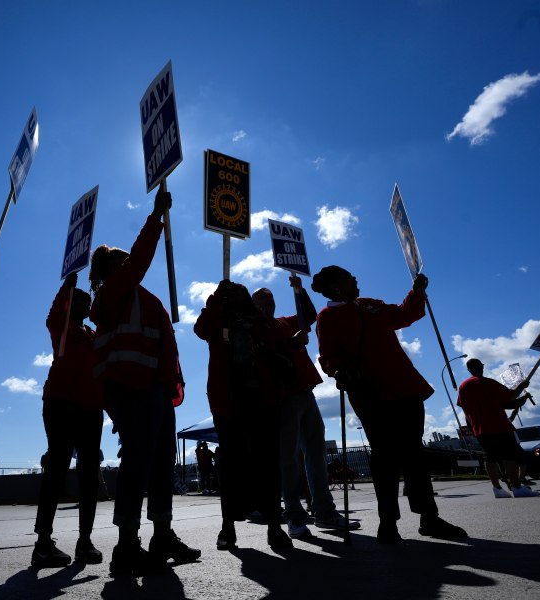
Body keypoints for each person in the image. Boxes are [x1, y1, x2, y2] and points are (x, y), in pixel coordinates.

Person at [311, 265, 467, 544]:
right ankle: (388, 523)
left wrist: (417, 292)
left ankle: (429, 518)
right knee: (384, 458)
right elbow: (327, 356)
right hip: (370, 394)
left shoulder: (370, 304)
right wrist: (337, 371)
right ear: (336, 286)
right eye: (349, 277)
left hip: (405, 388)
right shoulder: (328, 316)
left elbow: (405, 314)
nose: (356, 278)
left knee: (414, 455)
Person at [89, 189, 200, 576]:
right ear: (110, 271)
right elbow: (138, 261)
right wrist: (156, 218)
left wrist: (171, 387)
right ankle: (126, 543)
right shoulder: (112, 292)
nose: (130, 266)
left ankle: (162, 535)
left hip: (156, 391)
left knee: (160, 466)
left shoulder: (140, 296)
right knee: (138, 463)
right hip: (131, 389)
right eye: (123, 263)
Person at [252, 278, 359, 539]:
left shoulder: (285, 322)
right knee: (288, 460)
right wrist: (292, 344)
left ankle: (324, 512)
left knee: (316, 454)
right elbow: (263, 358)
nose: (269, 305)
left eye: (271, 300)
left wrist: (299, 291)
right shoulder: (255, 329)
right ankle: (294, 516)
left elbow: (308, 315)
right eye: (263, 302)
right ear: (254, 306)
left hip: (305, 392)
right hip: (282, 398)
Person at [194, 280, 291, 552]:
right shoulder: (217, 319)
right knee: (231, 465)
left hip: (262, 400)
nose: (236, 297)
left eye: (240, 293)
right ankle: (228, 526)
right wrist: (215, 298)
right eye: (231, 294)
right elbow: (200, 330)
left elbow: (278, 347)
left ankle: (274, 525)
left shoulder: (260, 322)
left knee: (268, 464)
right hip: (228, 402)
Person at [31, 272, 104, 568]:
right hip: (61, 402)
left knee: (89, 475)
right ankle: (43, 543)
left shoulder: (93, 336)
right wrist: (67, 286)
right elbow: (53, 313)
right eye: (81, 300)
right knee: (57, 469)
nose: (87, 305)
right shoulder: (61, 327)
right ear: (70, 304)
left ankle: (84, 541)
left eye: (89, 302)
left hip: (91, 407)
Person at [457, 358, 539, 498]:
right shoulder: (488, 383)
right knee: (509, 456)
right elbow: (510, 397)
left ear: (468, 369)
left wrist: (473, 425)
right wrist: (522, 385)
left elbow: (464, 407)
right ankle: (517, 487)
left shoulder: (463, 386)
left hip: (480, 428)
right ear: (481, 367)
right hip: (499, 425)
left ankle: (497, 489)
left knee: (490, 458)